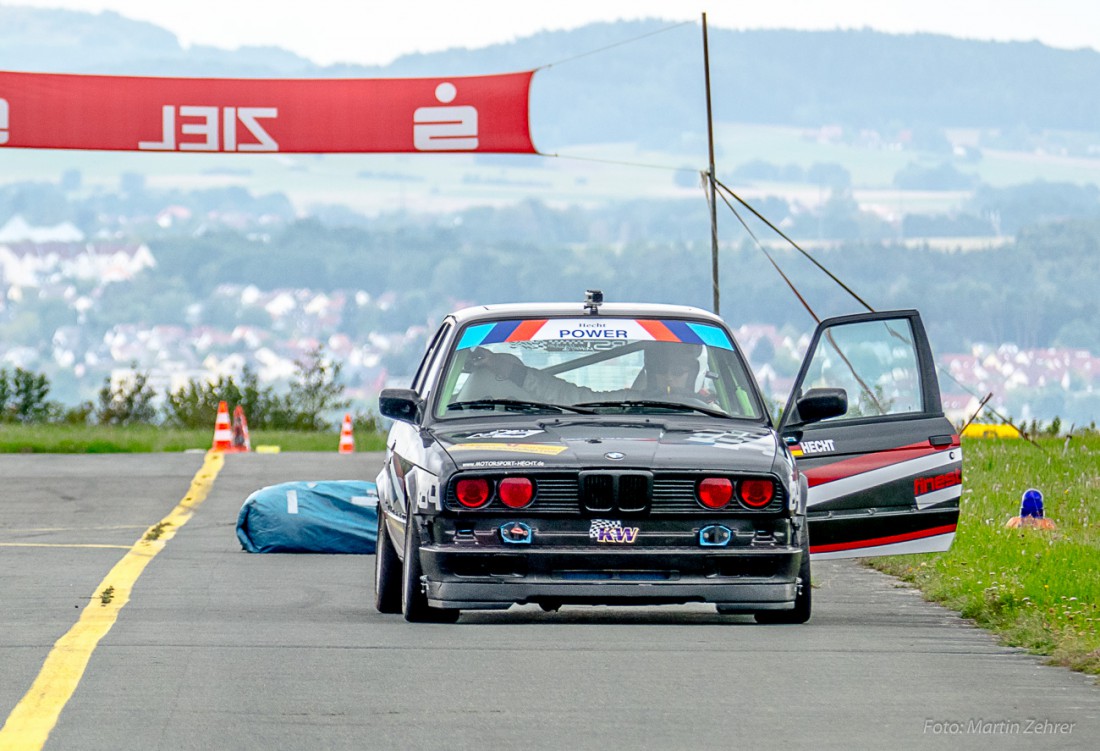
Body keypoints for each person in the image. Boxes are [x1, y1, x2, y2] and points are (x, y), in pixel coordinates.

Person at [467, 341, 705, 406]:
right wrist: (504, 367)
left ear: (695, 373)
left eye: (677, 371)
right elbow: (569, 397)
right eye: (660, 370)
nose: (669, 378)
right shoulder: (627, 403)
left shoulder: (716, 416)